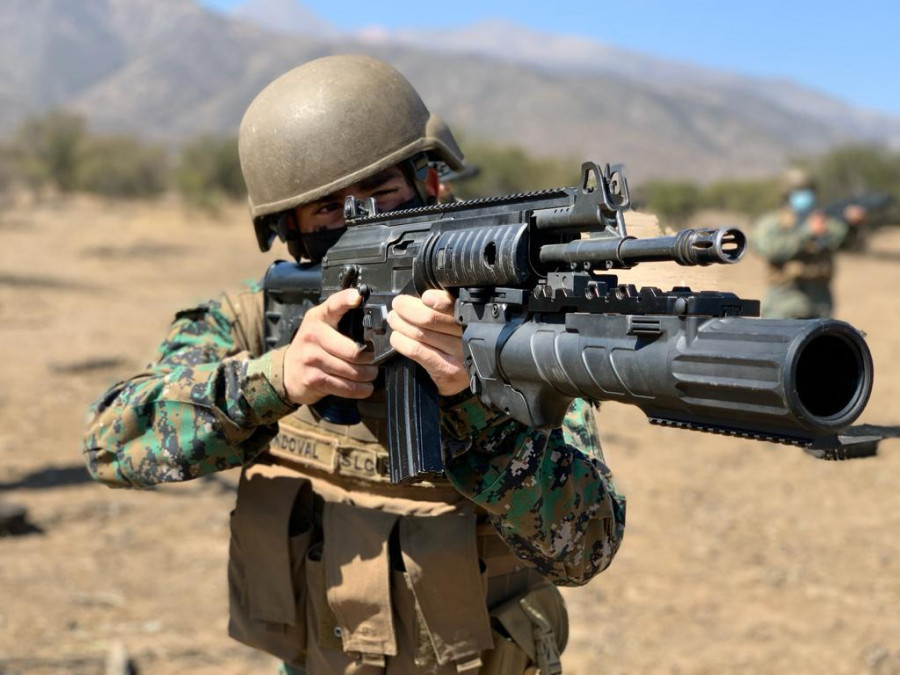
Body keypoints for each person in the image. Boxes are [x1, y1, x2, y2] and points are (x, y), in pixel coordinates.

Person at [82, 54, 626, 674]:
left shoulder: (509, 331)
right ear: (288, 228)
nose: (360, 218)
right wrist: (274, 381)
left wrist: (473, 407)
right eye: (329, 209)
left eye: (380, 192)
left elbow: (587, 546)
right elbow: (109, 443)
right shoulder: (253, 322)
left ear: (431, 187)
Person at [752, 168, 864, 319]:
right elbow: (770, 250)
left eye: (808, 190)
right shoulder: (772, 223)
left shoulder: (823, 221)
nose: (806, 195)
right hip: (784, 303)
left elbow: (845, 243)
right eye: (799, 191)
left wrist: (852, 225)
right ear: (787, 193)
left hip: (820, 303)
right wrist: (807, 232)